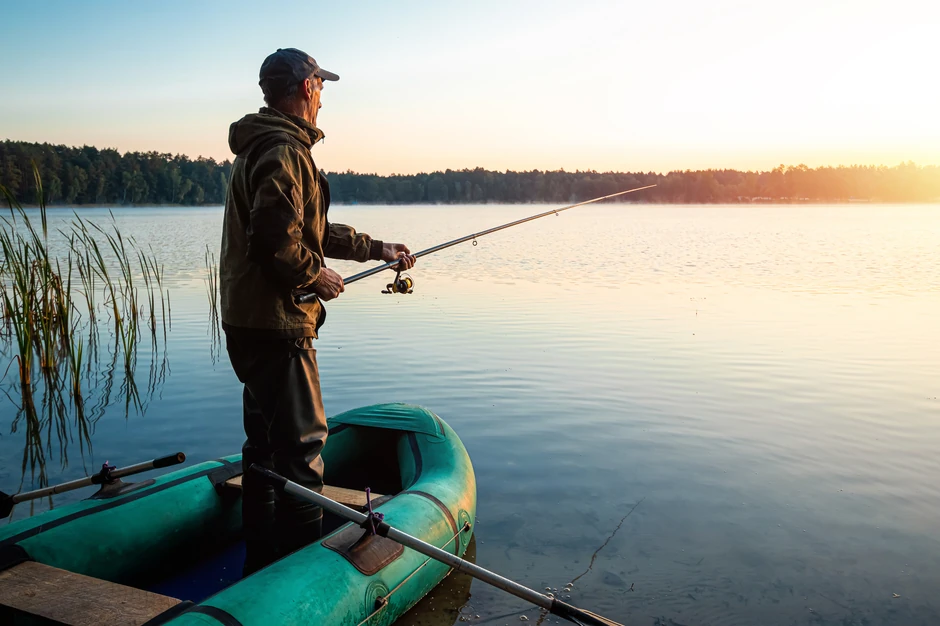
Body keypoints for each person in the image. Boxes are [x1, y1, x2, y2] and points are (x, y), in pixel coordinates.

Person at [220, 47, 415, 575]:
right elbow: (276, 242)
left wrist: (378, 249)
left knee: (262, 449)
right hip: (278, 325)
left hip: (248, 320)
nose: (324, 96)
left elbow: (309, 230)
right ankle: (299, 582)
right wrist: (316, 276)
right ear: (306, 87)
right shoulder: (284, 150)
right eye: (321, 85)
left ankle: (260, 568)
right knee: (303, 456)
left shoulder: (261, 146)